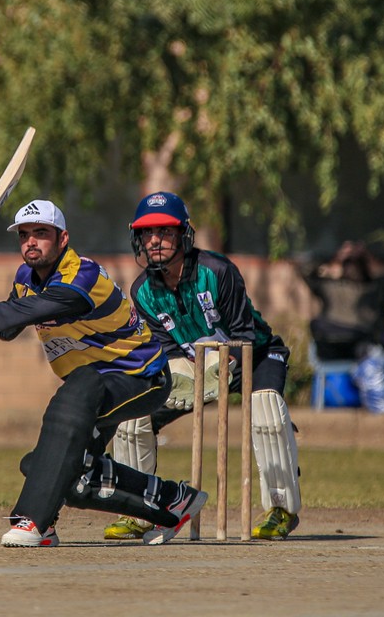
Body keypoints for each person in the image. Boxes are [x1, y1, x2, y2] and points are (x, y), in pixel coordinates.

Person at [0, 199, 207, 547]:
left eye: (41, 233)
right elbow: (7, 328)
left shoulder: (81, 277)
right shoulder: (26, 277)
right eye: (24, 235)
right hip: (95, 385)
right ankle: (173, 501)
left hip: (140, 377)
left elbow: (9, 316)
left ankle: (32, 521)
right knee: (61, 473)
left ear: (63, 238)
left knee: (74, 396)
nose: (31, 242)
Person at [105, 192, 302, 541]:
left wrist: (220, 370)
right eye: (148, 233)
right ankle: (138, 511)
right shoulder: (142, 291)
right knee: (131, 419)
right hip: (194, 367)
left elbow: (243, 335)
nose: (155, 240)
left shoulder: (218, 271)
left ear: (184, 234)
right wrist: (181, 376)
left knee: (266, 408)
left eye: (165, 231)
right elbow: (166, 349)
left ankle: (281, 509)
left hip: (253, 355)